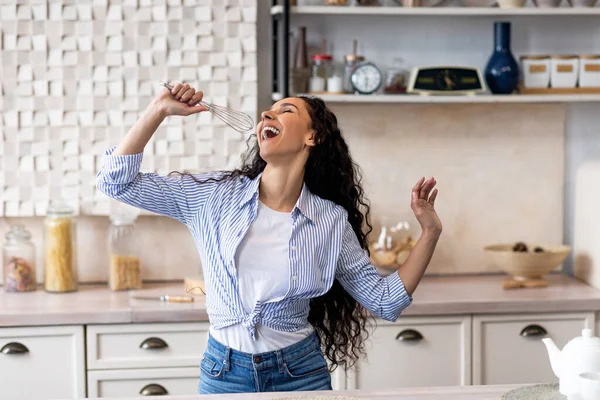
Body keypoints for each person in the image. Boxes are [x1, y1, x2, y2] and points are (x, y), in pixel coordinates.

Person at [96, 82, 442, 394]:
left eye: (285, 110)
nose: (267, 115)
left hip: (300, 375)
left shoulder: (330, 222)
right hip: (224, 374)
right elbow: (115, 182)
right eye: (268, 112)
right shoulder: (214, 197)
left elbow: (385, 301)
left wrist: (430, 232)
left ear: (313, 137)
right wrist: (158, 110)